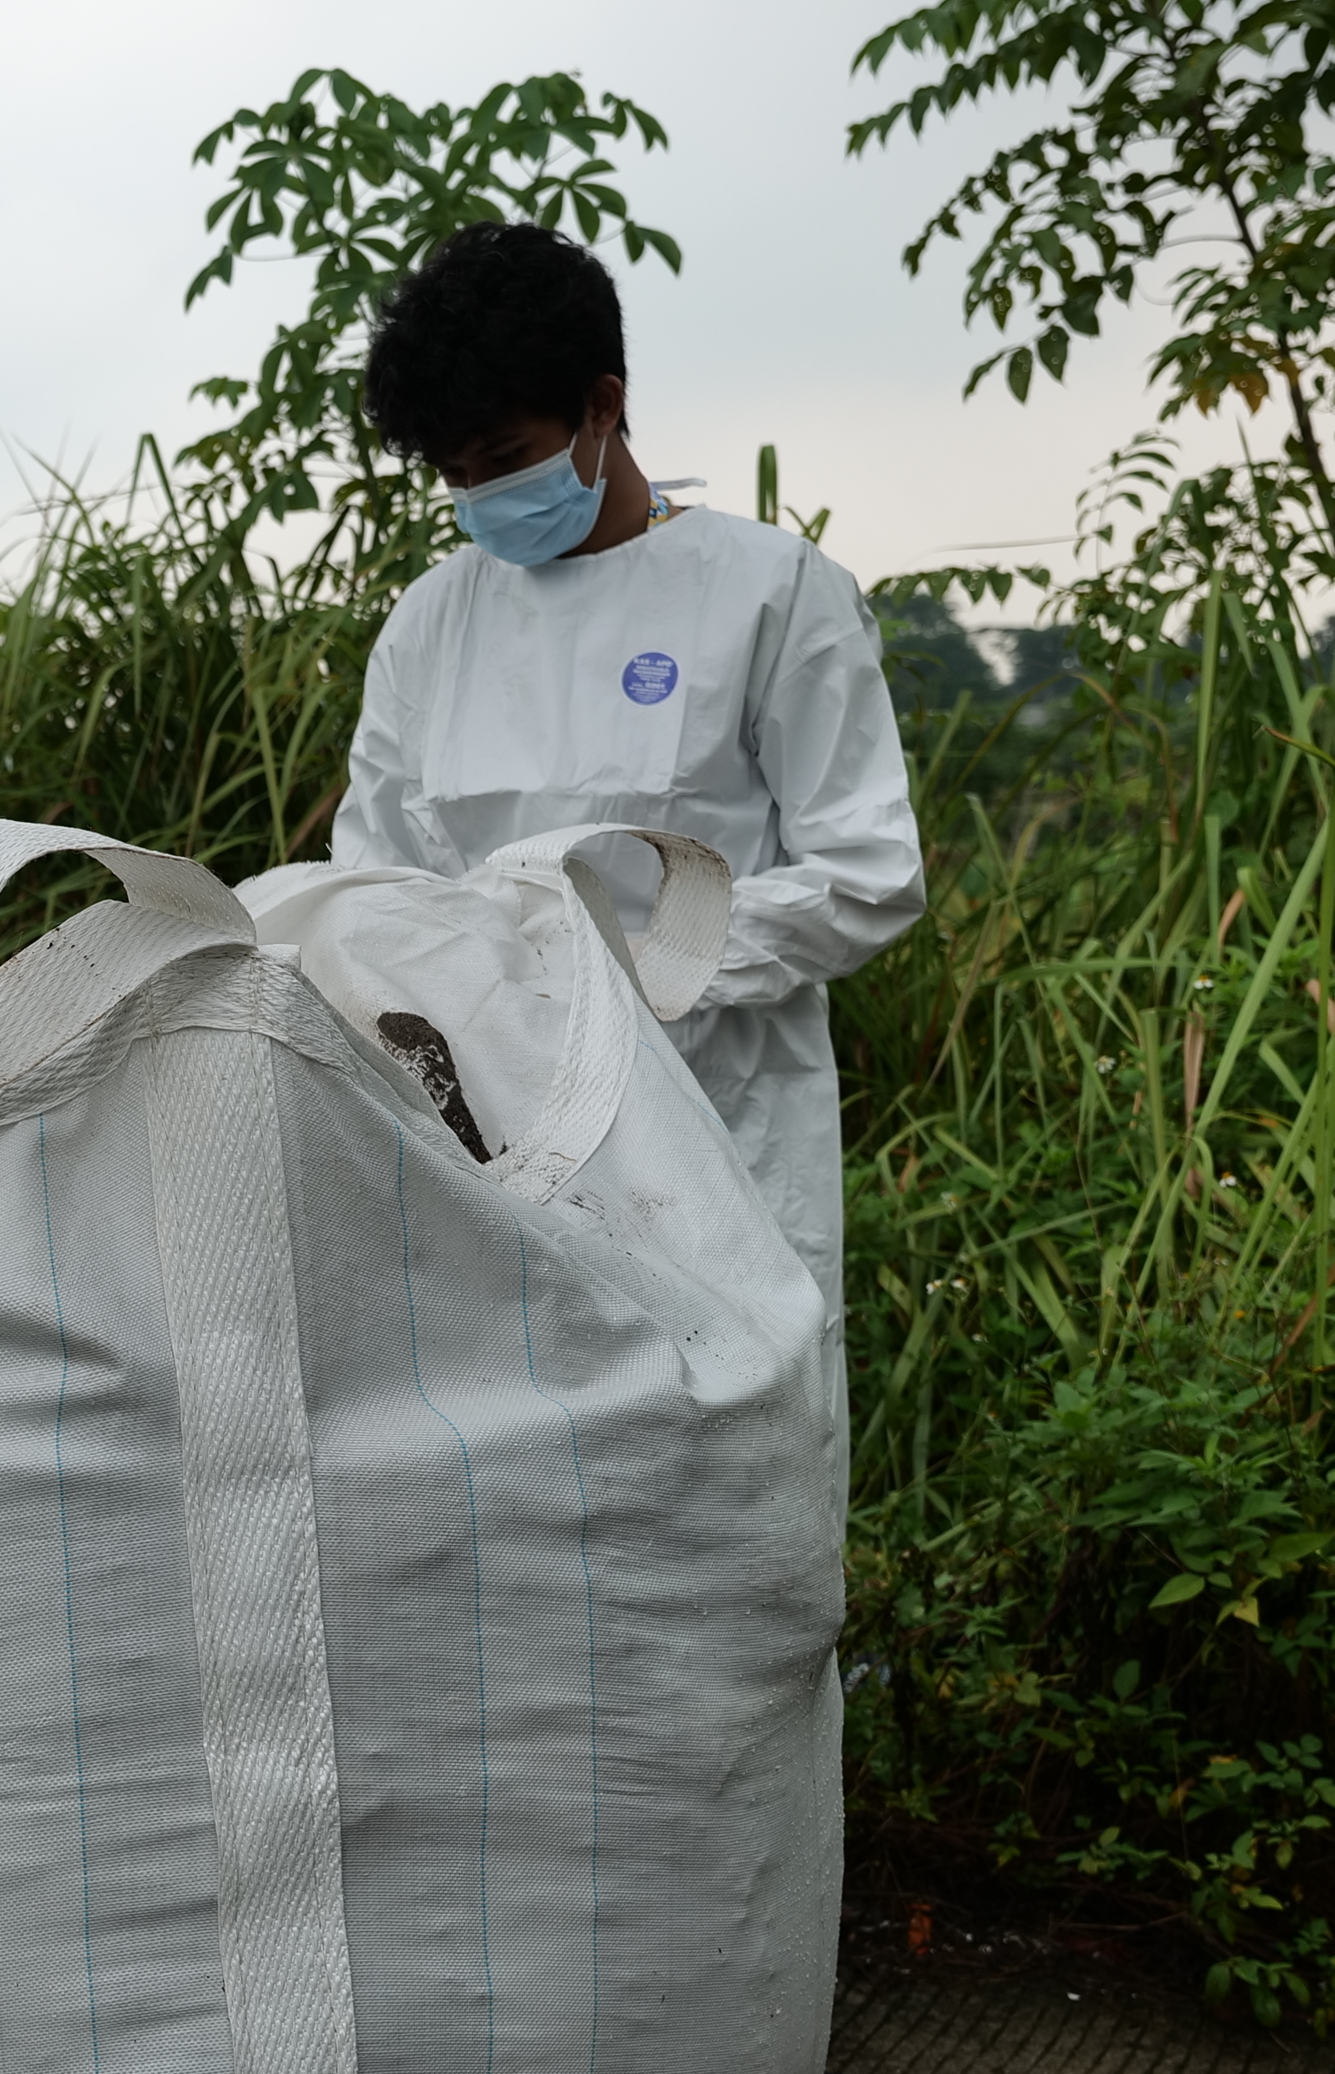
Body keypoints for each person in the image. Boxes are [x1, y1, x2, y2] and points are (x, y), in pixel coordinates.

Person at [337, 220, 923, 1314]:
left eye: (505, 460)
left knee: (732, 1443)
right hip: (494, 1144)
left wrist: (637, 968)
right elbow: (374, 887)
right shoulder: (430, 624)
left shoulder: (769, 593)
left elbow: (868, 873)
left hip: (719, 1128)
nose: (480, 500)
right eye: (454, 477)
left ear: (601, 407)